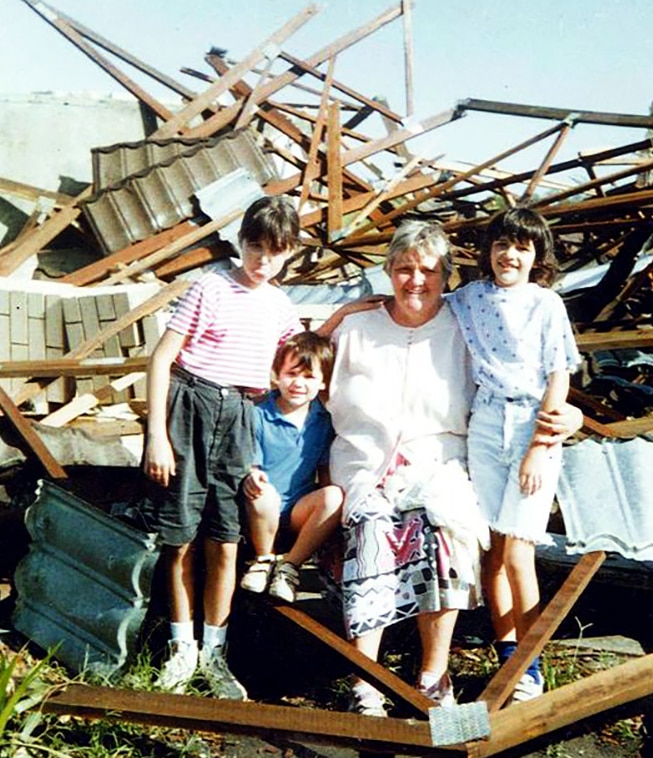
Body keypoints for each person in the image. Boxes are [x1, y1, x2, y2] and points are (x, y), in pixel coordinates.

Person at [324, 219, 581, 717]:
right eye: (403, 269)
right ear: (387, 272)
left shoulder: (462, 320)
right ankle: (367, 685)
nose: (415, 281)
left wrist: (569, 416)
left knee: (453, 538)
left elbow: (546, 373)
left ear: (446, 276)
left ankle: (436, 678)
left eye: (427, 271)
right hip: (367, 467)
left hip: (445, 462)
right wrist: (343, 312)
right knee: (376, 532)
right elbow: (300, 367)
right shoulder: (366, 326)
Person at [142, 195, 302, 699]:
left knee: (225, 540)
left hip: (240, 417)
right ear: (241, 244)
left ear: (289, 254)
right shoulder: (210, 286)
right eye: (255, 249)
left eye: (275, 254)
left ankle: (214, 651)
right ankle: (181, 649)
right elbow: (161, 359)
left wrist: (353, 312)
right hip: (190, 408)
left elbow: (304, 358)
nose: (262, 263)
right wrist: (156, 436)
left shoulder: (280, 305)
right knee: (181, 539)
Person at [448, 206, 581, 703]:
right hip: (485, 424)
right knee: (494, 550)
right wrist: (351, 308)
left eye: (522, 247)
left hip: (531, 423)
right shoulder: (470, 297)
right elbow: (415, 303)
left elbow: (559, 377)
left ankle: (533, 663)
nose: (510, 255)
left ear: (536, 256)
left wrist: (538, 448)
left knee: (521, 551)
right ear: (488, 252)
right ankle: (507, 653)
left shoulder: (546, 304)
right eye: (502, 244)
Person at [239, 331, 343, 603]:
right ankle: (263, 560)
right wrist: (251, 474)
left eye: (309, 377)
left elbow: (325, 474)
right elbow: (252, 464)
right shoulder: (258, 413)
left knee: (334, 495)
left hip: (297, 510)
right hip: (259, 509)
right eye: (291, 374)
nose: (298, 383)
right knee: (264, 492)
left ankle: (289, 567)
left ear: (323, 382)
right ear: (276, 375)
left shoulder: (323, 420)